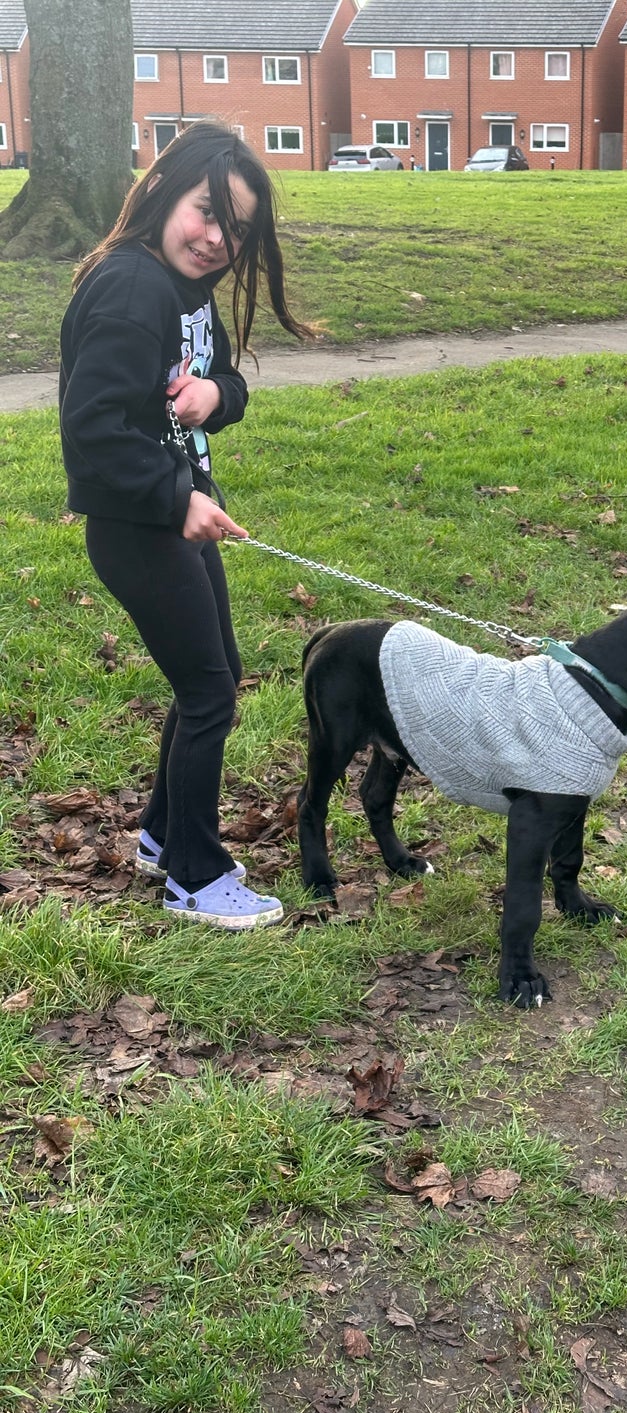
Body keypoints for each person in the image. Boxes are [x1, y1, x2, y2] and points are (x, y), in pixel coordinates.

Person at [60, 122, 316, 929]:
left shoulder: (181, 290)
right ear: (165, 189)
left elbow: (226, 382)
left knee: (211, 674)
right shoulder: (132, 288)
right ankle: (196, 878)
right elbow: (92, 432)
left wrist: (214, 397)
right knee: (209, 693)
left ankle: (162, 834)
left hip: (171, 515)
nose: (214, 239)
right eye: (206, 213)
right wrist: (178, 501)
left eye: (235, 231)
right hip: (138, 525)